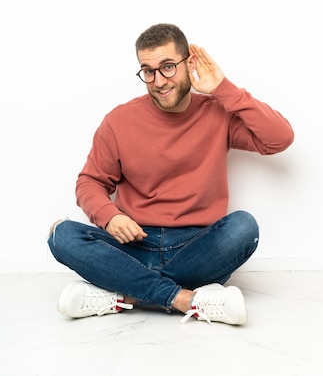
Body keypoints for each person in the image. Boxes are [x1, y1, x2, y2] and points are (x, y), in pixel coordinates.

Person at [47, 23, 294, 325]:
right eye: (148, 71)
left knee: (244, 227)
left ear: (189, 64)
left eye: (167, 67)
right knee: (62, 234)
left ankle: (126, 294)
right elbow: (90, 182)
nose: (158, 81)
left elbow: (279, 138)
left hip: (195, 248)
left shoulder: (217, 112)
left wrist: (223, 88)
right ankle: (185, 299)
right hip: (132, 245)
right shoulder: (119, 121)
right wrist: (110, 216)